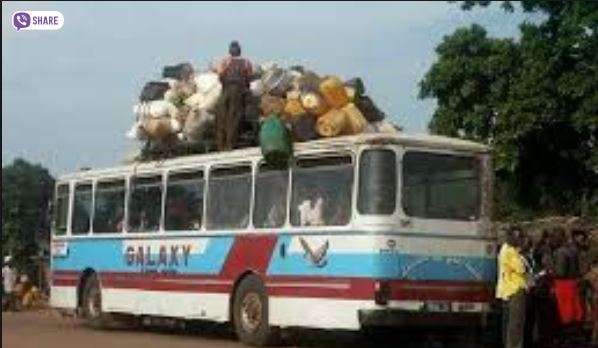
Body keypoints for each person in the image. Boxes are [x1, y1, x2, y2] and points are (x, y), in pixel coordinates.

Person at [214, 41, 253, 151]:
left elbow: (220, 76)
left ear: (230, 51)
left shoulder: (225, 62)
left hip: (226, 91)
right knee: (234, 118)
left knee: (221, 117)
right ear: (239, 51)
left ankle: (221, 145)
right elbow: (249, 77)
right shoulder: (246, 62)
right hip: (239, 92)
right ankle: (230, 144)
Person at [497, 227, 530, 348]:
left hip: (507, 289)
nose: (519, 239)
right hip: (515, 289)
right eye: (518, 237)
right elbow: (521, 269)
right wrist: (521, 252)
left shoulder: (505, 249)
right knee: (516, 324)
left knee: (509, 324)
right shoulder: (511, 251)